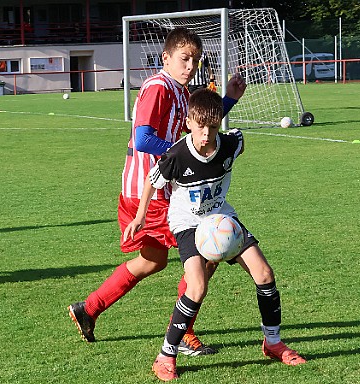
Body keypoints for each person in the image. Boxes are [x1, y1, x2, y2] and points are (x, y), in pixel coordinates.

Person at [68, 27, 247, 356]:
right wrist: (180, 157)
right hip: (146, 192)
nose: (190, 65)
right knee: (207, 249)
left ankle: (88, 308)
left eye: (195, 60)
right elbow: (143, 139)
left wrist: (228, 100)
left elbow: (199, 128)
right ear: (165, 57)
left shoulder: (181, 90)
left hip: (157, 189)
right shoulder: (158, 87)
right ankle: (185, 334)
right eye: (184, 58)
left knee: (153, 261)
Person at [124, 88, 306, 381]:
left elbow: (239, 144)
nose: (206, 133)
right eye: (200, 126)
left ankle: (273, 343)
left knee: (264, 274)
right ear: (188, 123)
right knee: (196, 287)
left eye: (212, 126)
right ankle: (165, 355)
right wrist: (140, 217)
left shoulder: (231, 142)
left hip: (222, 219)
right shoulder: (177, 155)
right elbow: (152, 181)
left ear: (219, 122)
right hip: (187, 224)